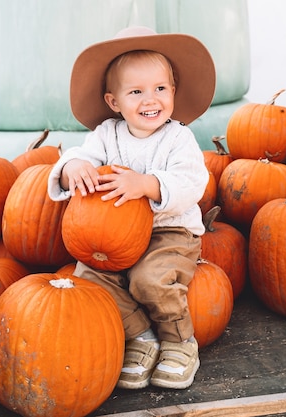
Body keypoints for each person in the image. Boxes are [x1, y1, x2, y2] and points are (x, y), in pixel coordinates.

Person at [47, 26, 216, 390]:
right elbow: (81, 156)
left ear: (173, 92)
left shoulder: (178, 138)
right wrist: (71, 169)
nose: (149, 99)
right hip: (112, 237)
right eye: (136, 91)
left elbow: (192, 182)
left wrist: (147, 184)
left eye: (159, 89)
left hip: (170, 231)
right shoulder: (107, 134)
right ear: (114, 102)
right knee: (90, 279)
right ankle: (140, 336)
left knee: (150, 279)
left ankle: (178, 341)